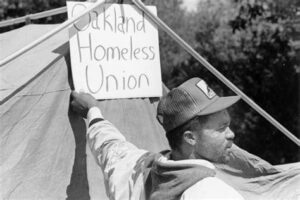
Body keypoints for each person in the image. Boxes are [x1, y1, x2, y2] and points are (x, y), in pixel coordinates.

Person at [71, 77, 245, 200]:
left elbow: (110, 147)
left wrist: (92, 111)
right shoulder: (211, 192)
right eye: (222, 128)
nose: (231, 134)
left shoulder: (140, 171)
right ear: (190, 138)